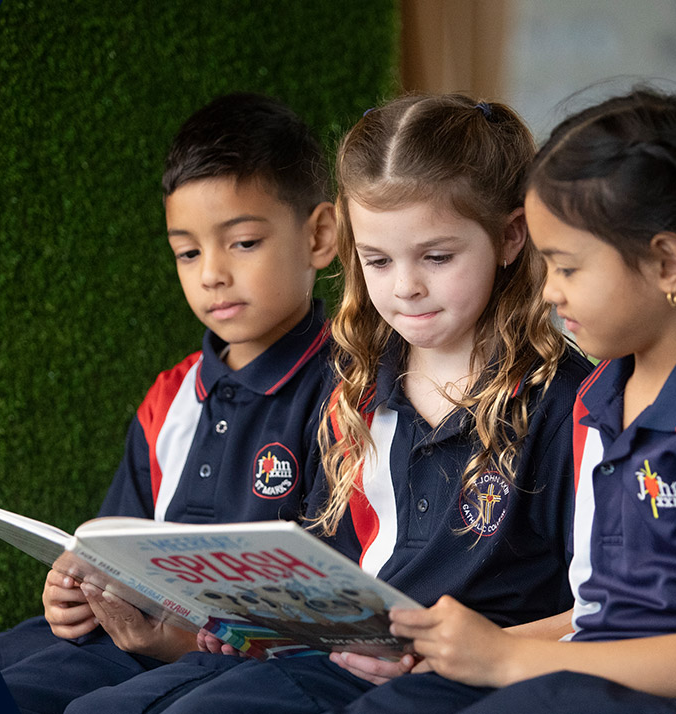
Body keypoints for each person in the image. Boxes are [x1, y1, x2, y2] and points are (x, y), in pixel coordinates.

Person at [68, 93, 593, 714]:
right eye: (377, 260)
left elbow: (600, 616)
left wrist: (478, 649)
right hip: (344, 665)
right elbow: (329, 586)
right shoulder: (357, 395)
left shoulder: (570, 404)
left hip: (473, 682)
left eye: (437, 256)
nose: (405, 287)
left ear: (509, 237)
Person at [344, 88, 676, 714]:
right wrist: (458, 651)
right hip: (604, 681)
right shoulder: (605, 393)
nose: (548, 292)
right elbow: (602, 616)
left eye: (568, 268)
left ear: (667, 264)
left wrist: (507, 659)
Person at [0, 91, 341, 714]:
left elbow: (336, 615)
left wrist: (179, 642)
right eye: (188, 251)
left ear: (319, 236)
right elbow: (109, 547)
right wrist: (74, 589)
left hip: (227, 664)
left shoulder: (349, 391)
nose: (211, 274)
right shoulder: (170, 396)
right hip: (116, 639)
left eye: (243, 243)